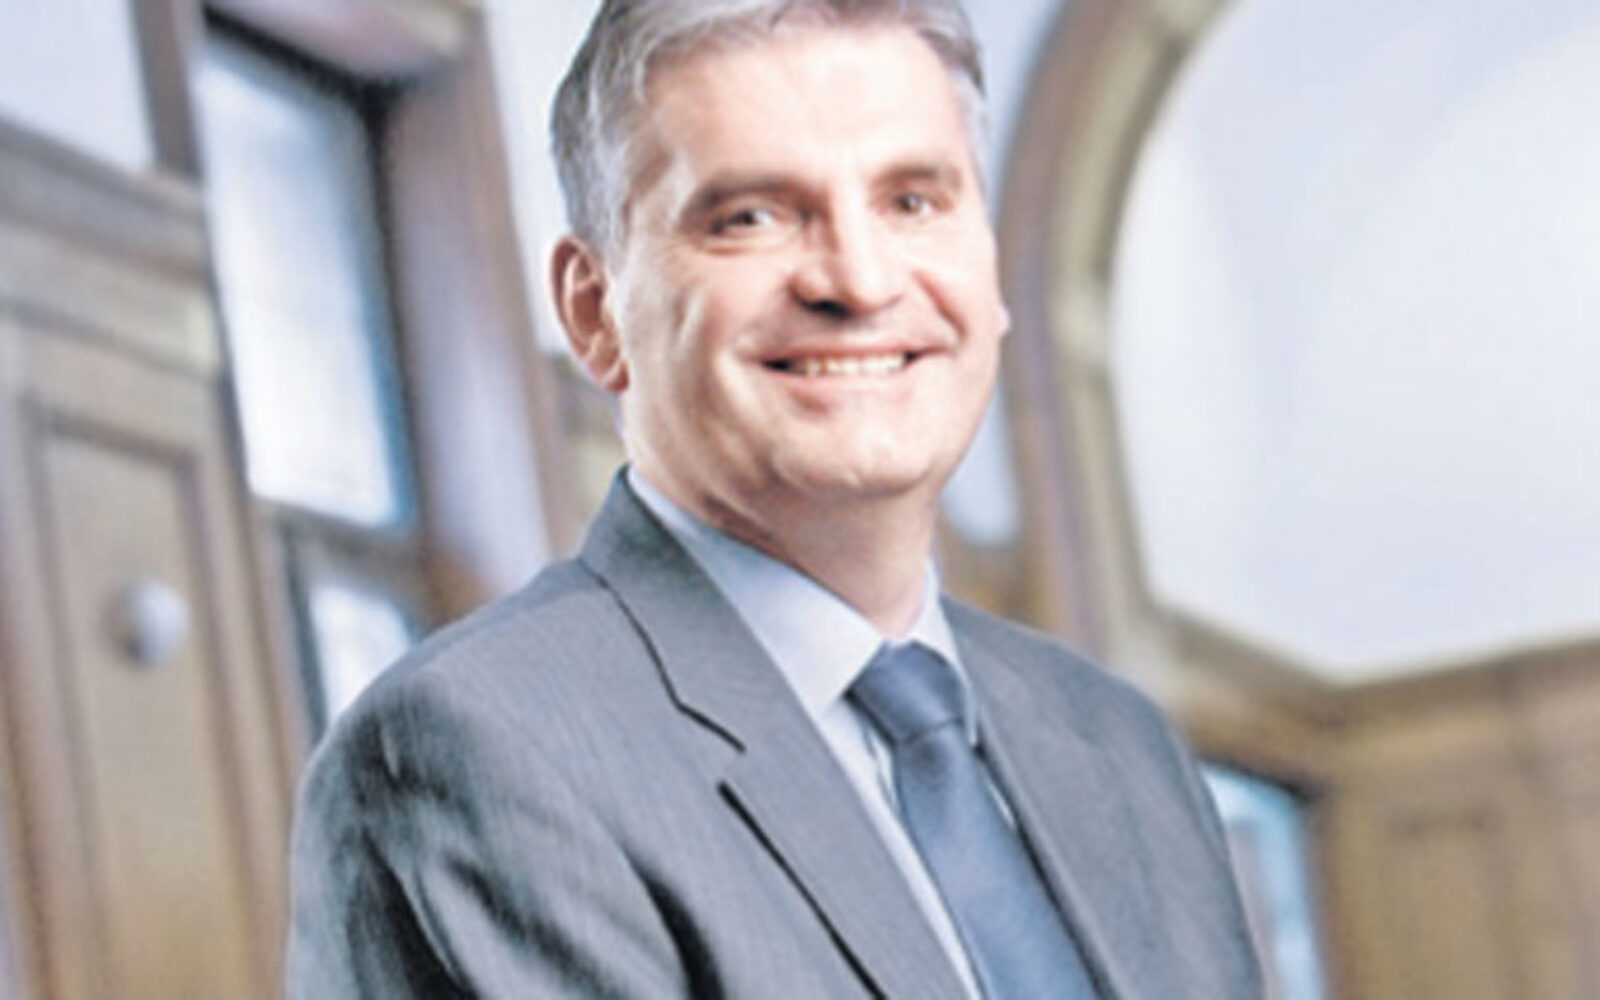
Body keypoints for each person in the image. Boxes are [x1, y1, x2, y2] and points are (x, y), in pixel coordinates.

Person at [286, 1, 1261, 997]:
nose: (859, 280)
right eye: (750, 217)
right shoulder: (476, 753)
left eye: (913, 201)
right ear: (594, 310)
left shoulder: (1123, 748)